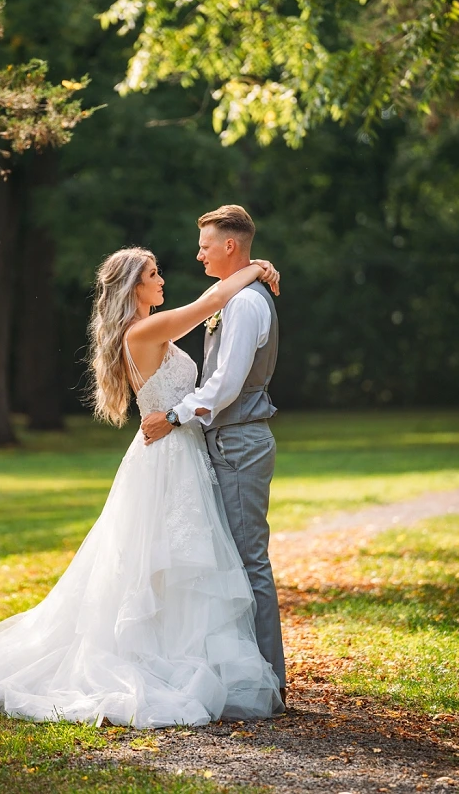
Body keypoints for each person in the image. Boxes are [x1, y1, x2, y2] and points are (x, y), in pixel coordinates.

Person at [0, 245, 284, 728]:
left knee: (172, 562)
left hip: (178, 452)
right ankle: (164, 661)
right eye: (153, 275)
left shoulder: (146, 330)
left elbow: (206, 304)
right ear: (134, 286)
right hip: (168, 458)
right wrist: (257, 268)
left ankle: (180, 650)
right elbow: (209, 305)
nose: (162, 280)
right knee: (167, 561)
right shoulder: (145, 329)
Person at [141, 205, 286, 706]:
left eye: (205, 244)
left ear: (230, 246)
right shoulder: (235, 295)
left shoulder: (246, 305)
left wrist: (176, 416)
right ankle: (240, 671)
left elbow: (225, 382)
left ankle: (268, 680)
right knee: (228, 561)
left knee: (248, 561)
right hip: (223, 440)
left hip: (240, 440)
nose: (197, 252)